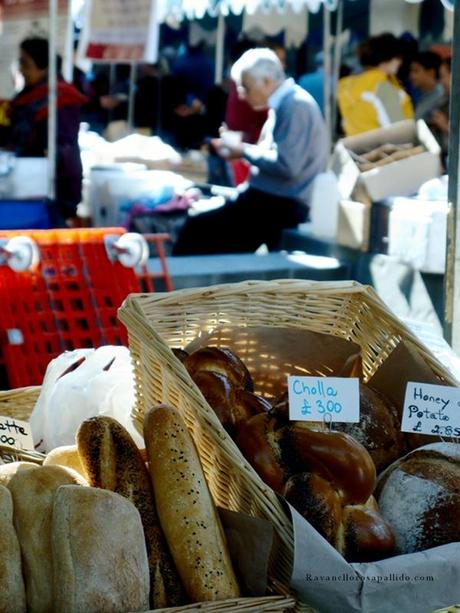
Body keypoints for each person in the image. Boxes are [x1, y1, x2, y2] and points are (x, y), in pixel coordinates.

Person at [173, 48, 328, 255]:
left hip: (277, 204)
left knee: (196, 229)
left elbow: (287, 165)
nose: (243, 96)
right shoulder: (285, 104)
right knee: (195, 222)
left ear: (265, 81)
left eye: (245, 88)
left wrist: (242, 150)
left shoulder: (295, 105)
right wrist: (241, 151)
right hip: (268, 200)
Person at [6, 37, 87, 225]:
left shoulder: (60, 98)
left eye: (26, 64)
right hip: (25, 182)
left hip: (51, 188)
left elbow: (63, 151)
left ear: (43, 65)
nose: (22, 71)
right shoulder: (29, 95)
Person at [337, 33, 413, 136]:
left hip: (357, 148)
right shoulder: (383, 88)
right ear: (387, 57)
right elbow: (399, 134)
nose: (400, 62)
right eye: (398, 57)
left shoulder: (349, 85)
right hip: (384, 149)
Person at [408, 51, 444, 122]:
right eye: (411, 71)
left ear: (431, 72)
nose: (411, 76)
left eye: (416, 71)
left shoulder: (441, 97)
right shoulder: (423, 95)